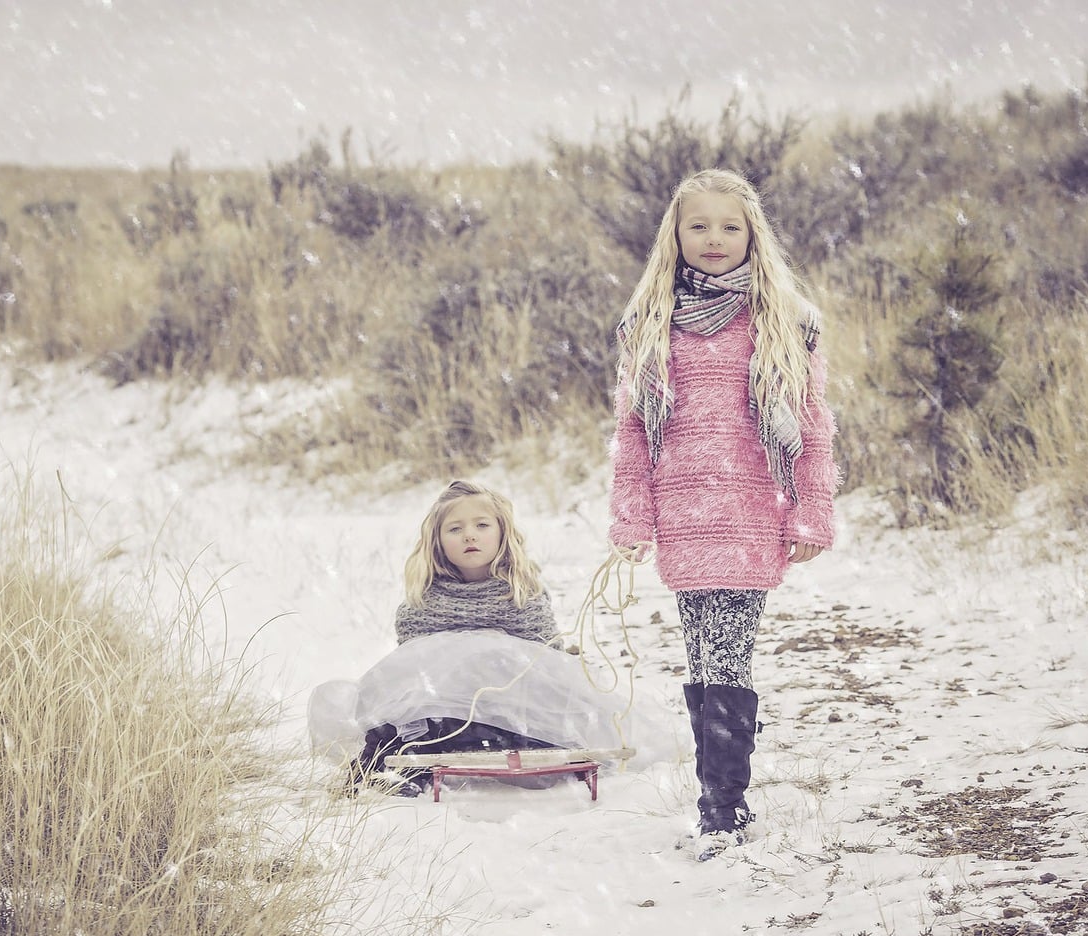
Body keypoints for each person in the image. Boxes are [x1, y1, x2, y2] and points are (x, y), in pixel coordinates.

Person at [608, 168, 839, 860]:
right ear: (674, 235)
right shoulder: (650, 321)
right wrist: (631, 517)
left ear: (752, 235)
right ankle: (718, 796)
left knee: (728, 654)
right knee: (699, 654)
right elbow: (631, 431)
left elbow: (813, 426)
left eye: (730, 226)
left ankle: (723, 805)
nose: (714, 238)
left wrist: (810, 515)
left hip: (747, 511)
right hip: (683, 510)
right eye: (699, 225)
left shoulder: (787, 322)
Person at [349, 479, 567, 796]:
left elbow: (549, 663)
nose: (469, 535)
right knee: (401, 701)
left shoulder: (522, 598)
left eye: (482, 525)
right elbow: (411, 671)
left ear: (502, 534)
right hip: (446, 718)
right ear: (437, 542)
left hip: (510, 714)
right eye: (455, 529)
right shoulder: (423, 604)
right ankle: (385, 768)